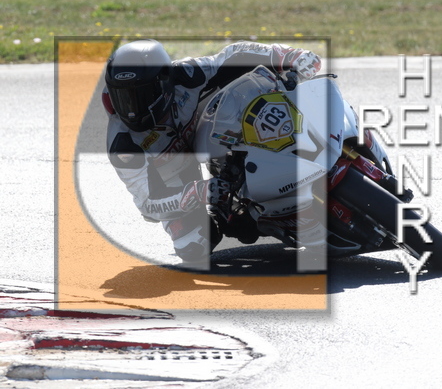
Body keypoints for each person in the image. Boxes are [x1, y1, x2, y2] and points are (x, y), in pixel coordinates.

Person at [102, 39, 321, 264]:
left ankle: (305, 145)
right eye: (122, 98)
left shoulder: (186, 75)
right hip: (173, 175)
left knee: (251, 81)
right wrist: (196, 193)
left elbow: (233, 55)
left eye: (141, 95)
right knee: (194, 245)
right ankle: (231, 212)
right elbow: (147, 204)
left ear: (164, 81)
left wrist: (288, 55)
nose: (131, 109)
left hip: (215, 131)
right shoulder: (122, 145)